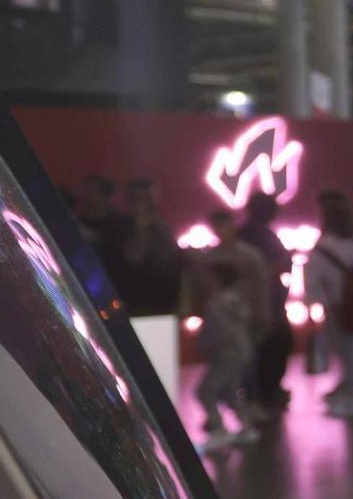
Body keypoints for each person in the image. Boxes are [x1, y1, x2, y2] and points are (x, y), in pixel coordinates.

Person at [306, 190, 353, 419]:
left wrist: (313, 303)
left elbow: (313, 280)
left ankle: (352, 397)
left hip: (335, 307)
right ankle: (348, 391)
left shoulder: (322, 247)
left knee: (346, 352)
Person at [238, 193, 294, 413]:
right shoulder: (264, 237)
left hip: (254, 301)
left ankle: (258, 392)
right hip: (265, 301)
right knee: (274, 344)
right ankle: (265, 393)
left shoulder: (244, 234)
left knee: (258, 348)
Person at [193, 260, 258, 452]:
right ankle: (246, 428)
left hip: (226, 352)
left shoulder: (216, 302)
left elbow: (218, 330)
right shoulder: (238, 298)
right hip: (242, 349)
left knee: (205, 391)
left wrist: (203, 344)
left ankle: (219, 429)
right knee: (230, 391)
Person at [111, 178, 183, 316]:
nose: (141, 203)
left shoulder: (163, 232)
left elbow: (172, 270)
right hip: (125, 307)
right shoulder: (117, 229)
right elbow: (128, 259)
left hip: (158, 309)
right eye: (136, 198)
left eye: (145, 198)